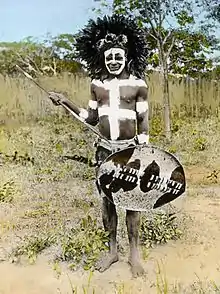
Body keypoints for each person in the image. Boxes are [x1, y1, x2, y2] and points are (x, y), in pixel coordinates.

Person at [48, 14, 149, 277]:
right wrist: (66, 101)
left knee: (133, 200)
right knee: (107, 201)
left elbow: (142, 117)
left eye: (118, 56)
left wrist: (144, 143)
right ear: (103, 58)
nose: (113, 61)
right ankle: (112, 250)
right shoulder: (97, 85)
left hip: (130, 150)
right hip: (104, 150)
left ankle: (134, 255)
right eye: (109, 57)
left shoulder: (138, 84)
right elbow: (91, 118)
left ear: (126, 57)